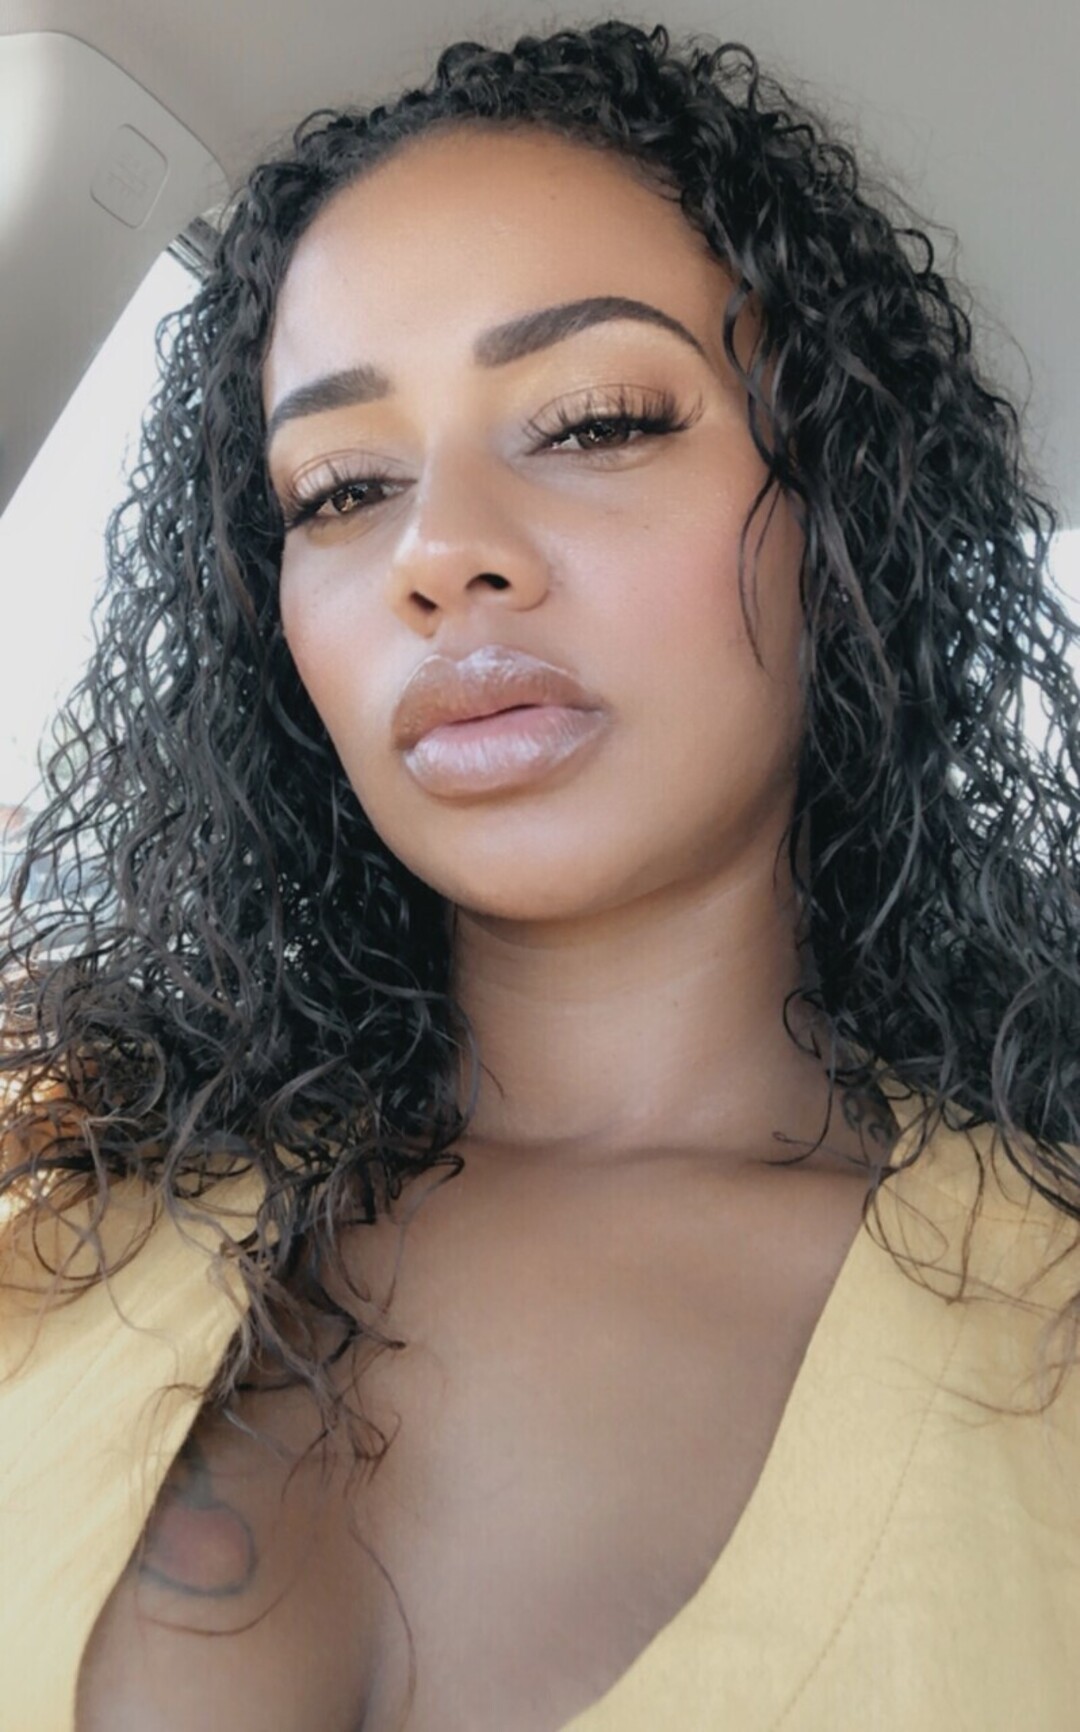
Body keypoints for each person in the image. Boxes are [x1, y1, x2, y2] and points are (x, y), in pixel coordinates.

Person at [2, 18, 1078, 1731]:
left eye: (595, 422)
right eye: (342, 487)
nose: (438, 553)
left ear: (844, 510)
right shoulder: (53, 1224)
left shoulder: (1050, 1316)